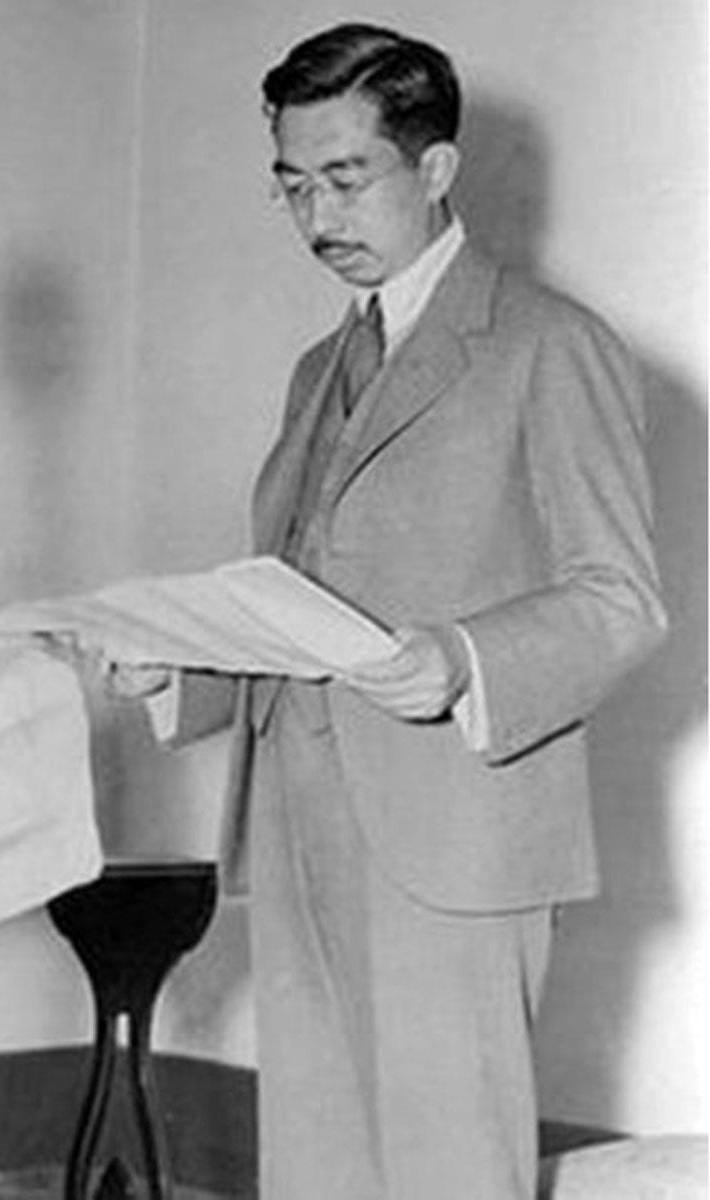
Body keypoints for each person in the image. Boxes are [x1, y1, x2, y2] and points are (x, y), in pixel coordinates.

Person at [113, 22, 667, 1199]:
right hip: (296, 826)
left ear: (436, 167)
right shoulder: (316, 370)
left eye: (347, 177)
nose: (319, 215)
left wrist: (464, 660)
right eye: (293, 185)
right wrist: (179, 674)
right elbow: (295, 602)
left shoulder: (547, 344)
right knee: (317, 1167)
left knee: (446, 1170)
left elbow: (620, 601)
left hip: (459, 837)